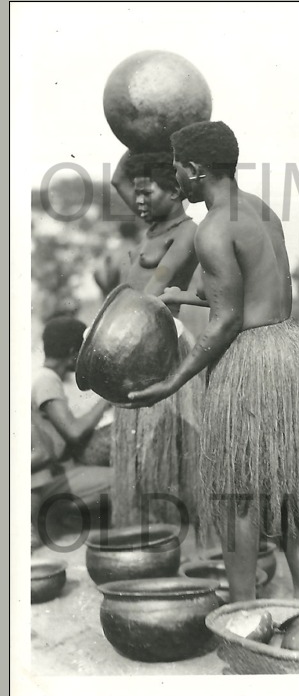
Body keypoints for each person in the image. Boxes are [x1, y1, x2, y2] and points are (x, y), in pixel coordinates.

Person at [126, 121, 299, 602]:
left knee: (236, 493)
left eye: (180, 169)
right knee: (290, 482)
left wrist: (171, 383)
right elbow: (254, 297)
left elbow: (226, 322)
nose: (178, 179)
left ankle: (242, 608)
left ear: (197, 170)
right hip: (291, 351)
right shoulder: (261, 211)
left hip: (250, 362)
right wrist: (183, 296)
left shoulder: (212, 228)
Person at [109, 150, 204, 528]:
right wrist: (141, 140)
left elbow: (153, 290)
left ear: (175, 192)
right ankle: (147, 534)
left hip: (160, 346)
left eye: (147, 193)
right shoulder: (153, 224)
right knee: (137, 454)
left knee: (171, 454)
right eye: (138, 195)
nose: (140, 201)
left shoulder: (187, 232)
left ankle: (189, 539)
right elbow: (119, 178)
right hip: (126, 344)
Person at [31, 317, 113, 544]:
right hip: (53, 476)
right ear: (71, 352)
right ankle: (60, 515)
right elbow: (74, 432)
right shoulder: (46, 380)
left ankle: (67, 517)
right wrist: (106, 400)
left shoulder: (44, 378)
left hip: (56, 473)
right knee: (123, 479)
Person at [93, 221, 141, 299]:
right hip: (133, 298)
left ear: (120, 233)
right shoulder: (139, 252)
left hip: (114, 299)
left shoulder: (111, 253)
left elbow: (97, 274)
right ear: (136, 234)